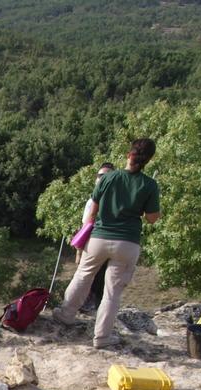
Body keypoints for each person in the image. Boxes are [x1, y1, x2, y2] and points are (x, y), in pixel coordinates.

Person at [53, 138, 161, 349]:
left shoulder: (108, 178)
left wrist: (86, 235)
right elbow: (152, 218)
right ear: (149, 160)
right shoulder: (149, 184)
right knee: (112, 292)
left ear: (129, 155)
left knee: (83, 275)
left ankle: (66, 314)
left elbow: (92, 211)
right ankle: (102, 337)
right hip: (128, 242)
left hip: (99, 237)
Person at [79, 162, 115, 314]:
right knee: (87, 275)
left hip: (111, 241)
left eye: (107, 176)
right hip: (93, 241)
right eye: (100, 175)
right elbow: (86, 223)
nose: (103, 179)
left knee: (104, 278)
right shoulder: (91, 201)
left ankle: (98, 307)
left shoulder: (117, 201)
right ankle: (82, 304)